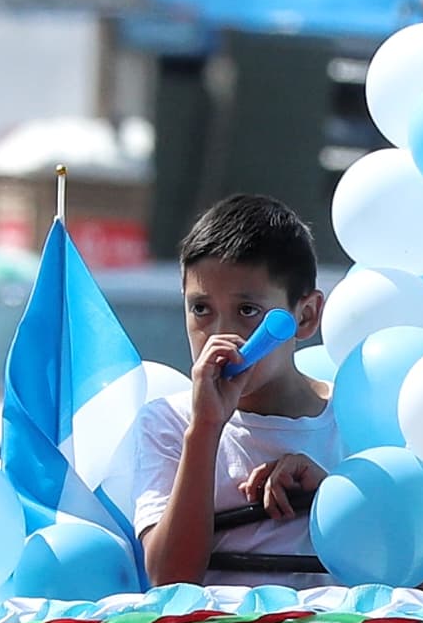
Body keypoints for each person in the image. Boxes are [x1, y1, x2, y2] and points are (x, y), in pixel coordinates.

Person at [103, 196, 336, 580]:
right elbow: (169, 578)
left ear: (306, 315)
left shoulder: (355, 416)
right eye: (200, 309)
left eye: (248, 311)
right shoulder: (170, 423)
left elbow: (419, 577)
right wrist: (206, 428)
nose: (221, 335)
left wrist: (331, 494)